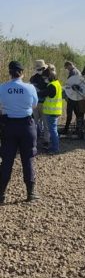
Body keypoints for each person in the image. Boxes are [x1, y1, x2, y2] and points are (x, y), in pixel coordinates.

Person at [0, 61, 39, 204]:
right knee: (27, 159)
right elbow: (34, 105)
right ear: (22, 73)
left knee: (7, 161)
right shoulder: (30, 88)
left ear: (9, 72)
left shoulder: (2, 88)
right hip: (26, 126)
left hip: (8, 126)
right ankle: (31, 193)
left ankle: (1, 194)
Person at [40, 64, 62, 154]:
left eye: (45, 77)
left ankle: (55, 149)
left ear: (49, 76)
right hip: (55, 111)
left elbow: (43, 94)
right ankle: (54, 147)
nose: (44, 79)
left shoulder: (51, 86)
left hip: (51, 112)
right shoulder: (57, 84)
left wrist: (34, 91)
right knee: (54, 130)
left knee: (53, 131)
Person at [30, 59, 50, 148]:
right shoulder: (34, 78)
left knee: (44, 124)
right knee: (34, 123)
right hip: (37, 104)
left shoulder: (47, 77)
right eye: (38, 69)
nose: (40, 70)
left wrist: (38, 91)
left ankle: (45, 141)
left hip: (44, 103)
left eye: (41, 69)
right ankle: (35, 140)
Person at [60, 61, 81, 135]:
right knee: (77, 112)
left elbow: (71, 84)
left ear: (69, 65)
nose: (67, 69)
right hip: (75, 95)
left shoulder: (73, 72)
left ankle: (66, 130)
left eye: (67, 68)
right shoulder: (77, 71)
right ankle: (78, 129)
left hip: (72, 95)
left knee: (69, 112)